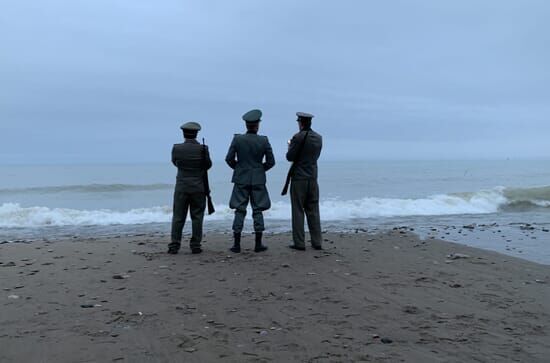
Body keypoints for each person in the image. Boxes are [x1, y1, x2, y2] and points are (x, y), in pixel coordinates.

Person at [225, 109, 275, 253]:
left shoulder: (237, 139)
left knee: (239, 210)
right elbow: (271, 162)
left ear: (246, 125)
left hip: (241, 179)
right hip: (258, 179)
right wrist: (259, 170)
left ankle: (236, 244)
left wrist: (239, 169)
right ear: (257, 125)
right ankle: (258, 244)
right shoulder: (264, 140)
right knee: (257, 210)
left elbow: (229, 159)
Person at [168, 121, 212, 255]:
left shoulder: (177, 148)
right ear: (196, 134)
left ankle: (174, 245)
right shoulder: (203, 149)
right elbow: (208, 165)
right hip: (198, 186)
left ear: (183, 134)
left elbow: (175, 163)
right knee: (197, 217)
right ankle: (195, 245)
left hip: (181, 186)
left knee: (178, 217)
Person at [286, 112, 323, 251]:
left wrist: (290, 145)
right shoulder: (319, 138)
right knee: (313, 210)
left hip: (299, 178)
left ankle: (299, 242)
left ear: (300, 123)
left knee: (298, 210)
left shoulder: (297, 137)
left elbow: (290, 157)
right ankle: (317, 241)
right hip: (313, 177)